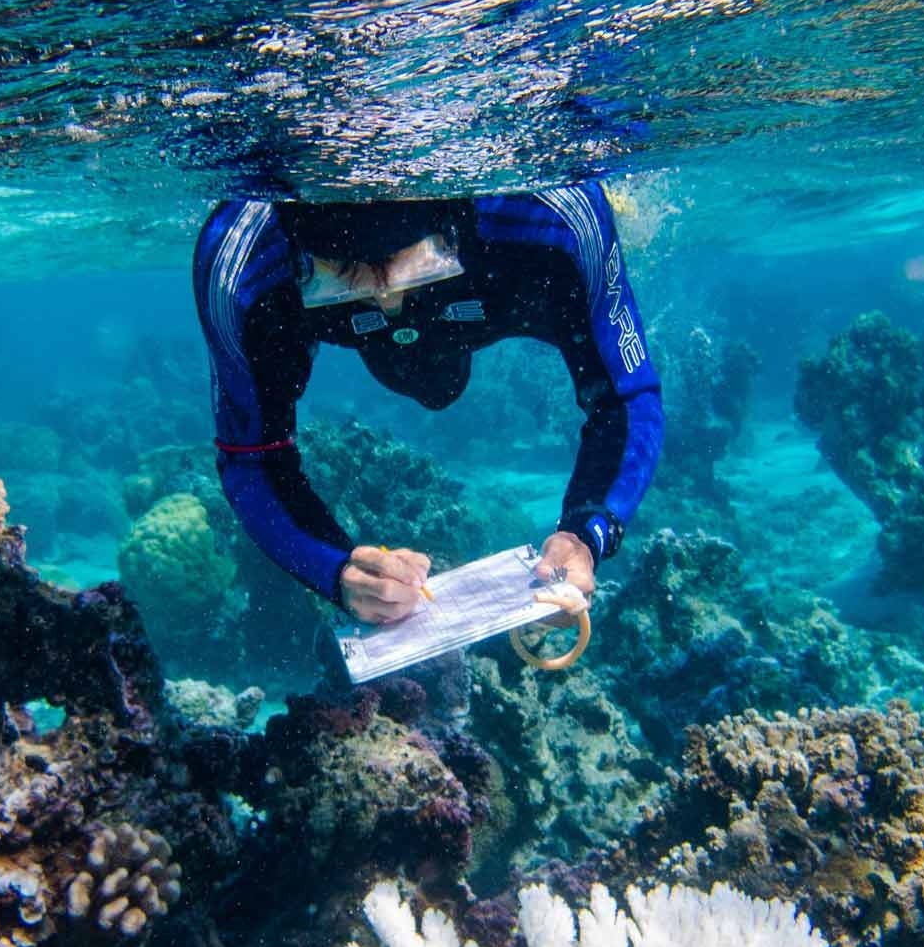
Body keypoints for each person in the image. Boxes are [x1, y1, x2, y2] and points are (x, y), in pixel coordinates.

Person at [192, 182, 663, 624]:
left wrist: (585, 533)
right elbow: (253, 460)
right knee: (424, 382)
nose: (388, 300)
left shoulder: (550, 219)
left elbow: (624, 398)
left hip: (487, 288)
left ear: (454, 228)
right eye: (345, 277)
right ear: (300, 257)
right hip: (375, 331)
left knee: (440, 385)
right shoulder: (244, 267)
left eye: (412, 266)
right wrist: (338, 571)